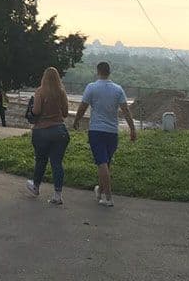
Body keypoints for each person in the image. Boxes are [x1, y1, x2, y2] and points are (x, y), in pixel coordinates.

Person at [73, 61, 136, 207]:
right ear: (109, 72)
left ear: (98, 71)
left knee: (101, 163)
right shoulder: (118, 89)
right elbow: (126, 110)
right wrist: (132, 129)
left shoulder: (92, 87)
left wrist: (76, 120)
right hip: (112, 132)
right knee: (106, 163)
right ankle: (100, 191)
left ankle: (108, 197)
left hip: (96, 130)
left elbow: (83, 106)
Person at [25, 67, 70, 205]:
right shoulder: (61, 92)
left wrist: (31, 110)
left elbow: (37, 110)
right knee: (57, 163)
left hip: (42, 131)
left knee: (41, 160)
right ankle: (57, 194)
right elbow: (65, 113)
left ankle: (36, 186)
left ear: (44, 77)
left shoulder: (40, 91)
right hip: (59, 131)